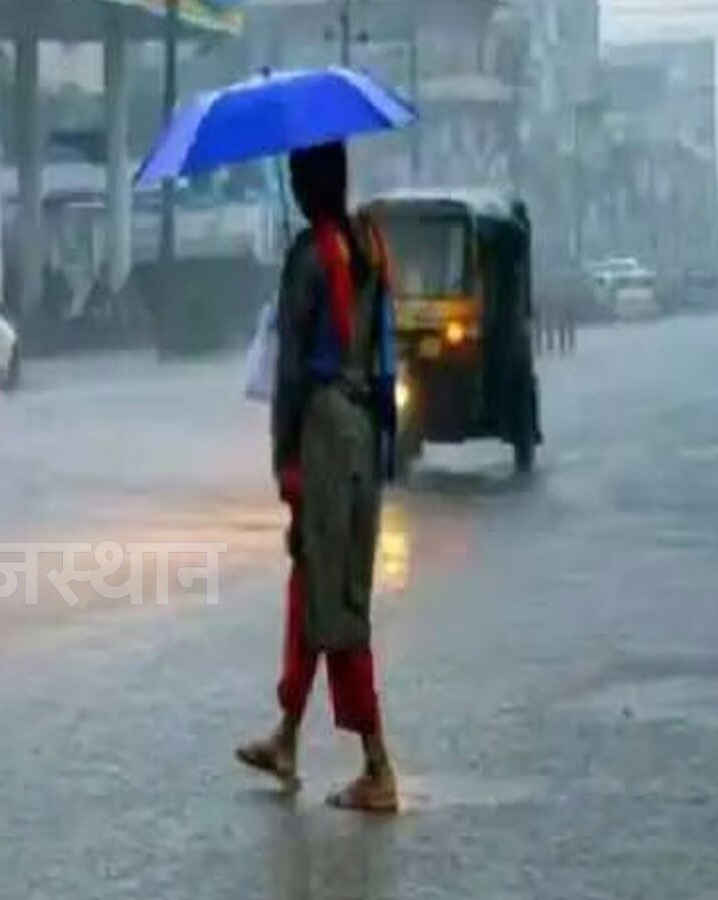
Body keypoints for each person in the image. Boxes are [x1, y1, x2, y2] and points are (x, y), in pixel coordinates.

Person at [236, 142, 400, 813]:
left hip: (325, 431)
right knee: (313, 584)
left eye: (298, 177)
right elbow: (387, 354)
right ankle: (287, 735)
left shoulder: (308, 258)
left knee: (335, 602)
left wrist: (285, 459)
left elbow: (291, 372)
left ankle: (377, 765)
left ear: (306, 186)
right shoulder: (371, 248)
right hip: (364, 429)